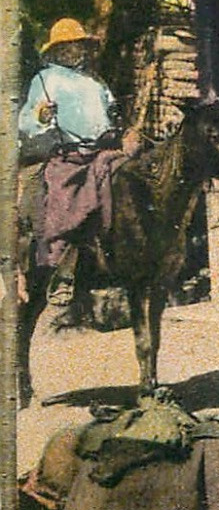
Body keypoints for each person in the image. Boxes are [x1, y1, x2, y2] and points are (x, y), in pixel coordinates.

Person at [17, 18, 141, 304]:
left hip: (104, 152)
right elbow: (26, 120)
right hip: (69, 157)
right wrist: (41, 116)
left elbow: (110, 111)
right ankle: (60, 272)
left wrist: (116, 118)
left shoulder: (94, 81)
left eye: (79, 45)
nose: (74, 51)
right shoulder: (46, 80)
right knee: (66, 201)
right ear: (56, 51)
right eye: (67, 46)